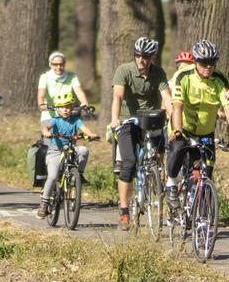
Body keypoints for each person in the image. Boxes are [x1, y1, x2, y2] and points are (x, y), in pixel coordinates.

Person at [166, 39, 229, 207]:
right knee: (178, 148)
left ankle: (199, 211)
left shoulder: (220, 79)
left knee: (206, 170)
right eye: (204, 62)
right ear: (195, 62)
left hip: (206, 131)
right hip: (183, 127)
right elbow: (177, 107)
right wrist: (177, 131)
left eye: (212, 62)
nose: (208, 66)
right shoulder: (183, 76)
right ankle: (171, 183)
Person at [110, 36, 172, 231]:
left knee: (160, 152)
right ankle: (124, 211)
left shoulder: (159, 73)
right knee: (128, 164)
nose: (141, 60)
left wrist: (172, 118)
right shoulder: (124, 70)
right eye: (137, 55)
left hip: (151, 120)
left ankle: (155, 178)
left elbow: (167, 98)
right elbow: (118, 96)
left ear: (152, 57)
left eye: (145, 56)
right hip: (128, 121)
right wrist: (114, 119)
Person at [38, 89, 99, 217]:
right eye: (62, 107)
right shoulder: (55, 120)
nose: (65, 110)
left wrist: (91, 134)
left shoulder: (76, 120)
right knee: (53, 176)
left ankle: (78, 175)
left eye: (68, 107)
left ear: (72, 107)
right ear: (57, 109)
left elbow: (84, 129)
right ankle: (44, 203)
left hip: (71, 148)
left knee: (84, 150)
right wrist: (46, 132)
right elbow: (46, 127)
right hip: (55, 151)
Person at [36, 51, 89, 123]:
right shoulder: (45, 77)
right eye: (55, 64)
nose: (58, 67)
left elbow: (79, 92)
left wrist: (84, 103)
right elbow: (41, 96)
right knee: (48, 133)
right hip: (50, 115)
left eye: (61, 64)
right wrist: (42, 105)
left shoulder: (72, 76)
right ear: (50, 64)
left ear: (64, 64)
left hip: (68, 114)